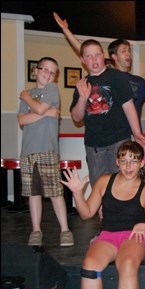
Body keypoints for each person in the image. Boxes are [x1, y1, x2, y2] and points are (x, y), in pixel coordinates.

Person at [61, 140, 145, 289]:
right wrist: (78, 194)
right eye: (124, 160)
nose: (128, 166)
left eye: (133, 161)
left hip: (134, 237)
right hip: (108, 236)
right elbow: (87, 213)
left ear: (142, 164)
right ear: (117, 162)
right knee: (89, 266)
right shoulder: (105, 181)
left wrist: (144, 225)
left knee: (127, 263)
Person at [69, 39, 145, 186]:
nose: (94, 59)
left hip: (119, 140)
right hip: (94, 144)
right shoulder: (82, 84)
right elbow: (76, 117)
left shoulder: (117, 77)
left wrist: (137, 133)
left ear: (103, 55)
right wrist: (82, 98)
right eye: (88, 56)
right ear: (82, 60)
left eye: (97, 54)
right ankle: (101, 210)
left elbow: (129, 106)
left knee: (121, 184)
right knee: (99, 186)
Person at [53, 12, 145, 131]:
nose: (128, 54)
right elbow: (84, 50)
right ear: (113, 56)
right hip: (111, 136)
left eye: (129, 51)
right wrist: (66, 30)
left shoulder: (139, 81)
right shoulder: (108, 75)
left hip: (132, 135)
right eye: (124, 51)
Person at [18, 56, 74, 248]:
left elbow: (40, 109)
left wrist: (28, 100)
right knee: (33, 193)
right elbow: (22, 120)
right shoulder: (30, 92)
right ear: (36, 70)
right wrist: (44, 112)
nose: (48, 74)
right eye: (44, 70)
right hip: (28, 151)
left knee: (55, 192)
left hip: (47, 150)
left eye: (52, 72)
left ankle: (65, 230)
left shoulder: (50, 89)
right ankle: (36, 230)